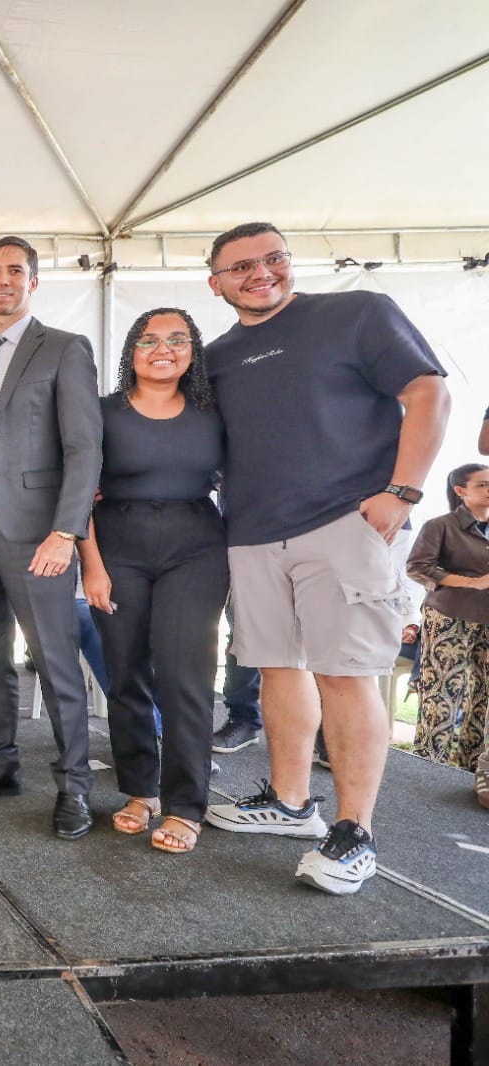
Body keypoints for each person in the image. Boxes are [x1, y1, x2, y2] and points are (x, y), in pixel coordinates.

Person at [199, 221, 449, 895]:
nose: (260, 273)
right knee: (277, 667)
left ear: (287, 262)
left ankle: (354, 832)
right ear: (215, 282)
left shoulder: (354, 312)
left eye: (272, 259)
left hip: (343, 524)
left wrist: (401, 493)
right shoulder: (217, 356)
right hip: (252, 533)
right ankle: (289, 802)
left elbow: (428, 392)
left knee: (347, 674)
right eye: (240, 266)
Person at [0, 236, 103, 843]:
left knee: (56, 662)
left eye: (15, 270)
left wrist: (67, 531)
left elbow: (85, 447)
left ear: (34, 282)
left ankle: (75, 786)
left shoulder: (62, 348)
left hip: (39, 535)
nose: (2, 279)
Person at [79, 309, 228, 855]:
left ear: (193, 350)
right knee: (125, 675)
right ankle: (141, 790)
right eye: (148, 340)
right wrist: (92, 566)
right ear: (130, 352)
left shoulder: (214, 413)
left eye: (176, 340)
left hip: (196, 547)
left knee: (185, 676)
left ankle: (187, 804)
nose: (161, 349)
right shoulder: (101, 413)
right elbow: (79, 494)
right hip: (117, 546)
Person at [405, 463, 489, 772]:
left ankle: (472, 769)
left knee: (483, 698)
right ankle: (428, 766)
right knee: (442, 693)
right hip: (449, 616)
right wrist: (471, 582)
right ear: (461, 491)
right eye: (483, 484)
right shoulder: (441, 525)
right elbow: (418, 566)